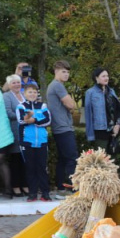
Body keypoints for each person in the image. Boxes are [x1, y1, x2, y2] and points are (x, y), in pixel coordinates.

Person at [46, 60, 78, 197]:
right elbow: (71, 105)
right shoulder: (57, 86)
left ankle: (61, 187)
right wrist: (71, 105)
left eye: (68, 72)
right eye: (63, 71)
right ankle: (72, 188)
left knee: (63, 159)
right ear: (56, 71)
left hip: (58, 127)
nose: (66, 74)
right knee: (72, 158)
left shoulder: (53, 86)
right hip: (63, 128)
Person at [17, 83, 51, 202]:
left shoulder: (43, 105)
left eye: (34, 92)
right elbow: (22, 120)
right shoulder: (21, 106)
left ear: (38, 93)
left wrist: (34, 120)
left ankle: (45, 193)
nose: (32, 94)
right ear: (24, 94)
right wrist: (29, 119)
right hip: (27, 142)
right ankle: (32, 193)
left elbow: (48, 120)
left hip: (42, 141)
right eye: (29, 92)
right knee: (30, 168)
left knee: (42, 167)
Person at [84, 67, 120, 155]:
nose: (106, 78)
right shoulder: (90, 93)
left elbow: (118, 110)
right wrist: (90, 135)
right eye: (103, 76)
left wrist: (118, 125)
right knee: (101, 159)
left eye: (107, 76)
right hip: (100, 130)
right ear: (96, 78)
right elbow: (88, 114)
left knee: (112, 159)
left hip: (114, 130)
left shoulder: (111, 91)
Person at [2, 75, 28, 198]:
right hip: (14, 131)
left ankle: (25, 184)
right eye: (14, 83)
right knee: (16, 160)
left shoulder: (24, 95)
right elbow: (7, 112)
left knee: (25, 160)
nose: (17, 85)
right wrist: (23, 117)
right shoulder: (6, 96)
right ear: (9, 84)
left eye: (18, 82)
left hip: (27, 131)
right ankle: (15, 186)